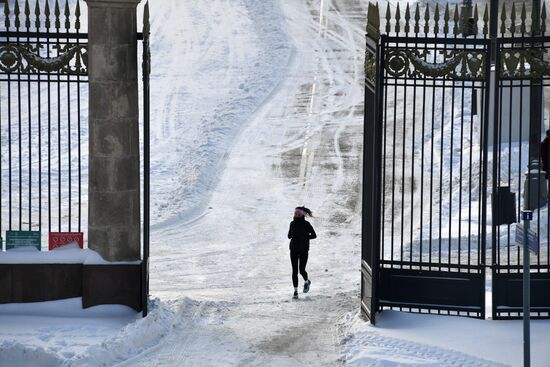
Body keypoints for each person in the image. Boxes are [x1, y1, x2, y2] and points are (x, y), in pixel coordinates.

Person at [287, 206, 317, 299]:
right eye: (295, 213)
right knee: (294, 271)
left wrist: (305, 237)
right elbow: (289, 235)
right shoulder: (292, 223)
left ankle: (307, 281)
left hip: (304, 250)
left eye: (298, 214)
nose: (296, 215)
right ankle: (295, 291)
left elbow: (314, 235)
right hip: (293, 249)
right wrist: (292, 236)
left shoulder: (307, 224)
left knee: (302, 270)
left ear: (302, 215)